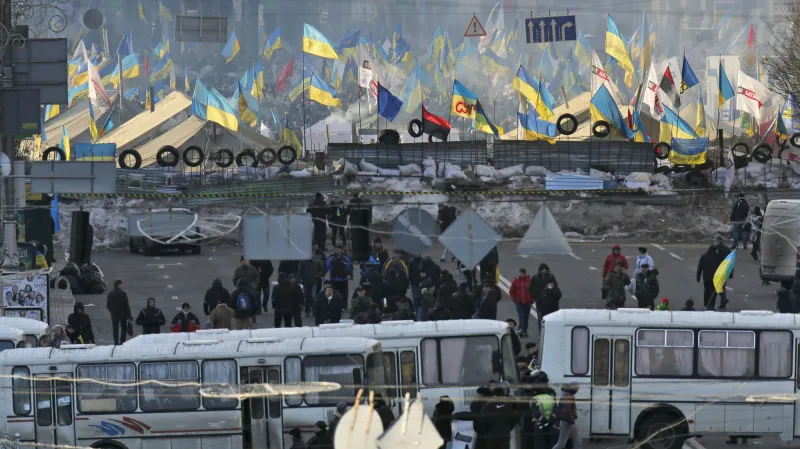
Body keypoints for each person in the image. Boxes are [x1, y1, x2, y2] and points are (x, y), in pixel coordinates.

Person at [696, 235, 732, 310]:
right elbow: (729, 262)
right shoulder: (720, 254)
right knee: (716, 290)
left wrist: (698, 277)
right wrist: (730, 272)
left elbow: (700, 267)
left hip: (707, 277)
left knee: (707, 291)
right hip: (718, 275)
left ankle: (707, 303)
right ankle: (716, 303)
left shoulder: (704, 256)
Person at [528, 264, 560, 333]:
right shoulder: (548, 277)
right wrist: (535, 296)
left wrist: (535, 296)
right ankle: (545, 332)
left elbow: (530, 288)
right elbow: (530, 288)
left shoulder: (537, 277)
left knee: (542, 318)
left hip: (545, 302)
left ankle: (542, 332)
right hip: (545, 302)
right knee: (544, 317)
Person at [552, 383, 582, 449]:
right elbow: (566, 411)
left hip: (569, 421)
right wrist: (571, 421)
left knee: (578, 442)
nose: (578, 390)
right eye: (577, 388)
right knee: (561, 444)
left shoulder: (568, 394)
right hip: (567, 422)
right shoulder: (567, 395)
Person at [347, 192, 372, 262]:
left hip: (354, 224)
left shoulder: (351, 203)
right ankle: (364, 256)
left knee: (355, 241)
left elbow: (346, 212)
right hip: (363, 223)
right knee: (363, 240)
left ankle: (355, 256)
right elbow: (369, 212)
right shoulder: (364, 203)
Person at [508, 268, 533, 337]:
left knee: (526, 317)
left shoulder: (529, 281)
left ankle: (524, 331)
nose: (521, 274)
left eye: (522, 273)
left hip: (528, 302)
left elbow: (533, 291)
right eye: (520, 273)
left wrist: (532, 300)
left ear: (525, 273)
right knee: (521, 316)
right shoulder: (516, 281)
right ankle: (520, 330)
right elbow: (511, 291)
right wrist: (514, 300)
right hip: (519, 302)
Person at [106, 279, 132, 345]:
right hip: (123, 315)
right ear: (119, 285)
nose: (122, 285)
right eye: (121, 284)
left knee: (115, 329)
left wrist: (111, 311)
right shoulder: (123, 293)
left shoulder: (110, 294)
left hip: (114, 315)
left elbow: (108, 305)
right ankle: (122, 341)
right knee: (123, 328)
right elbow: (126, 305)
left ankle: (116, 342)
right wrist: (129, 315)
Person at [299, 252, 325, 317]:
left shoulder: (317, 262)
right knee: (307, 297)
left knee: (313, 296)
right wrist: (301, 278)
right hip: (306, 282)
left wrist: (316, 276)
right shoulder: (303, 262)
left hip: (314, 282)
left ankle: (314, 311)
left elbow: (321, 271)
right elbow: (300, 271)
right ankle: (307, 311)